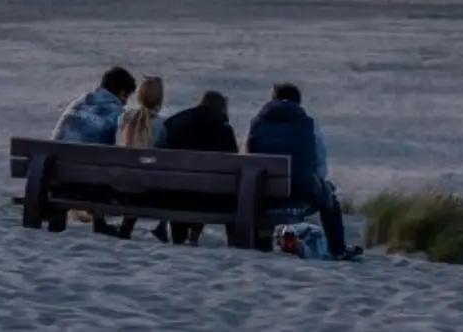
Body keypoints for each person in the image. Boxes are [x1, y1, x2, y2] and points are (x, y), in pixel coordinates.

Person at [246, 83, 361, 260]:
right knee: (329, 195)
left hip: (264, 192)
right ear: (298, 102)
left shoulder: (257, 123)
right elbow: (320, 163)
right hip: (301, 190)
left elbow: (249, 156)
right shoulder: (309, 125)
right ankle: (338, 249)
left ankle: (262, 244)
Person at [51, 67, 136, 235]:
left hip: (55, 177)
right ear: (122, 93)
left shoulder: (78, 101)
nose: (125, 103)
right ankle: (101, 221)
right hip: (86, 184)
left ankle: (63, 217)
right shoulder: (116, 112)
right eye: (126, 98)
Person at [159, 90, 240, 245]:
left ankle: (179, 236)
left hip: (173, 196)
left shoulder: (175, 122)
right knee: (210, 187)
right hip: (208, 199)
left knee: (183, 185)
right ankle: (194, 235)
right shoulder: (223, 129)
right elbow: (233, 162)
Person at [115, 77, 169, 242]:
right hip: (148, 193)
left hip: (118, 187)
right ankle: (162, 226)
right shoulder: (162, 125)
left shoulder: (123, 118)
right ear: (160, 98)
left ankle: (127, 225)